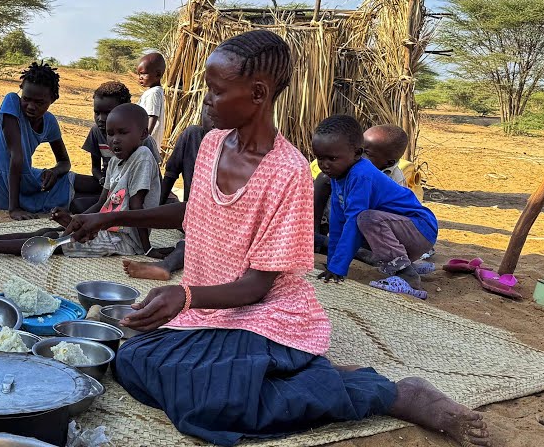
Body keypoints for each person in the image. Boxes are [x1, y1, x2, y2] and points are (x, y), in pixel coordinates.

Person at [62, 30, 490, 447]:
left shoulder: (287, 173)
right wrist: (107, 218)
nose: (206, 101)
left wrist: (184, 296)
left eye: (215, 90)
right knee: (133, 361)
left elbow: (257, 286)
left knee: (211, 405)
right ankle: (287, 371)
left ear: (258, 94)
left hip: (261, 310)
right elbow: (194, 212)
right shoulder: (211, 143)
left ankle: (394, 394)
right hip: (207, 306)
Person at [0, 103, 159, 259]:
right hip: (103, 228)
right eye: (110, 133)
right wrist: (76, 220)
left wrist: (146, 248)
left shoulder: (142, 155)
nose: (114, 139)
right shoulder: (115, 162)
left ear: (143, 133)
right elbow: (101, 203)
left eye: (123, 133)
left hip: (124, 240)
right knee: (50, 231)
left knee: (54, 242)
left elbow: (137, 206)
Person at [312, 115, 439, 300]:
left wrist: (339, 269)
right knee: (348, 221)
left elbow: (354, 223)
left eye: (331, 158)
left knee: (364, 219)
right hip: (401, 232)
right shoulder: (338, 176)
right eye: (319, 158)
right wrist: (333, 266)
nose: (324, 165)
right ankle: (406, 265)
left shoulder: (361, 175)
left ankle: (408, 277)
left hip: (420, 228)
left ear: (356, 153)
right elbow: (338, 224)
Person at [123, 106, 215, 281]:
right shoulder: (192, 135)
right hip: (190, 216)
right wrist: (156, 211)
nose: (214, 120)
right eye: (208, 113)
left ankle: (167, 265)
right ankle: (179, 248)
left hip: (215, 225)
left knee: (196, 242)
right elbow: (171, 173)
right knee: (171, 208)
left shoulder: (236, 149)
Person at [311, 123, 424, 255]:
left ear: (388, 163)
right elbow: (324, 181)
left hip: (366, 226)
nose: (358, 155)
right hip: (335, 223)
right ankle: (316, 233)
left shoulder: (395, 179)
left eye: (366, 153)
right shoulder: (343, 166)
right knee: (324, 179)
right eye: (358, 148)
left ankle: (341, 247)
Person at [0, 63, 73, 220]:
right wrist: (14, 209)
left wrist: (54, 171)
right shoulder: (11, 101)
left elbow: (64, 162)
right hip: (7, 186)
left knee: (85, 183)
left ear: (53, 99)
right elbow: (16, 157)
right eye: (26, 99)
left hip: (27, 177)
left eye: (39, 102)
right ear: (21, 89)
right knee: (78, 191)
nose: (31, 107)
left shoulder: (49, 121)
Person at [73, 81, 158, 212]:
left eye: (107, 113)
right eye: (97, 113)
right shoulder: (96, 132)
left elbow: (154, 176)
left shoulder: (143, 142)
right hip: (109, 184)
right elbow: (95, 168)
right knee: (77, 204)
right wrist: (102, 180)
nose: (101, 118)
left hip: (135, 190)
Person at [135, 51, 167, 160]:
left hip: (146, 145)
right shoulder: (156, 91)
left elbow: (152, 117)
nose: (140, 77)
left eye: (143, 73)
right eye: (139, 74)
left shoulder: (153, 93)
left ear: (157, 74)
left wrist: (143, 139)